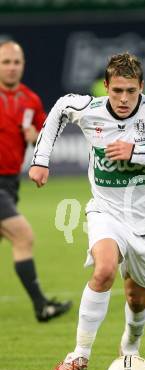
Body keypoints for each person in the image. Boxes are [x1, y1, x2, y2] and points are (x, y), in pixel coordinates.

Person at [29, 53, 145, 370]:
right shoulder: (89, 110)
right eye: (117, 90)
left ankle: (131, 346)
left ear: (142, 88)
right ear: (105, 86)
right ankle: (79, 353)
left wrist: (137, 151)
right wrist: (41, 158)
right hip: (106, 211)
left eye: (131, 91)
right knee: (104, 269)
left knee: (136, 297)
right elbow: (61, 108)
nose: (123, 99)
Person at [0, 40, 72, 322]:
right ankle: (41, 306)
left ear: (23, 65)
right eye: (5, 62)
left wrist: (35, 138)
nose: (11, 67)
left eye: (16, 62)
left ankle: (42, 306)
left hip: (9, 183)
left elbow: (47, 132)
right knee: (23, 236)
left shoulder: (30, 100)